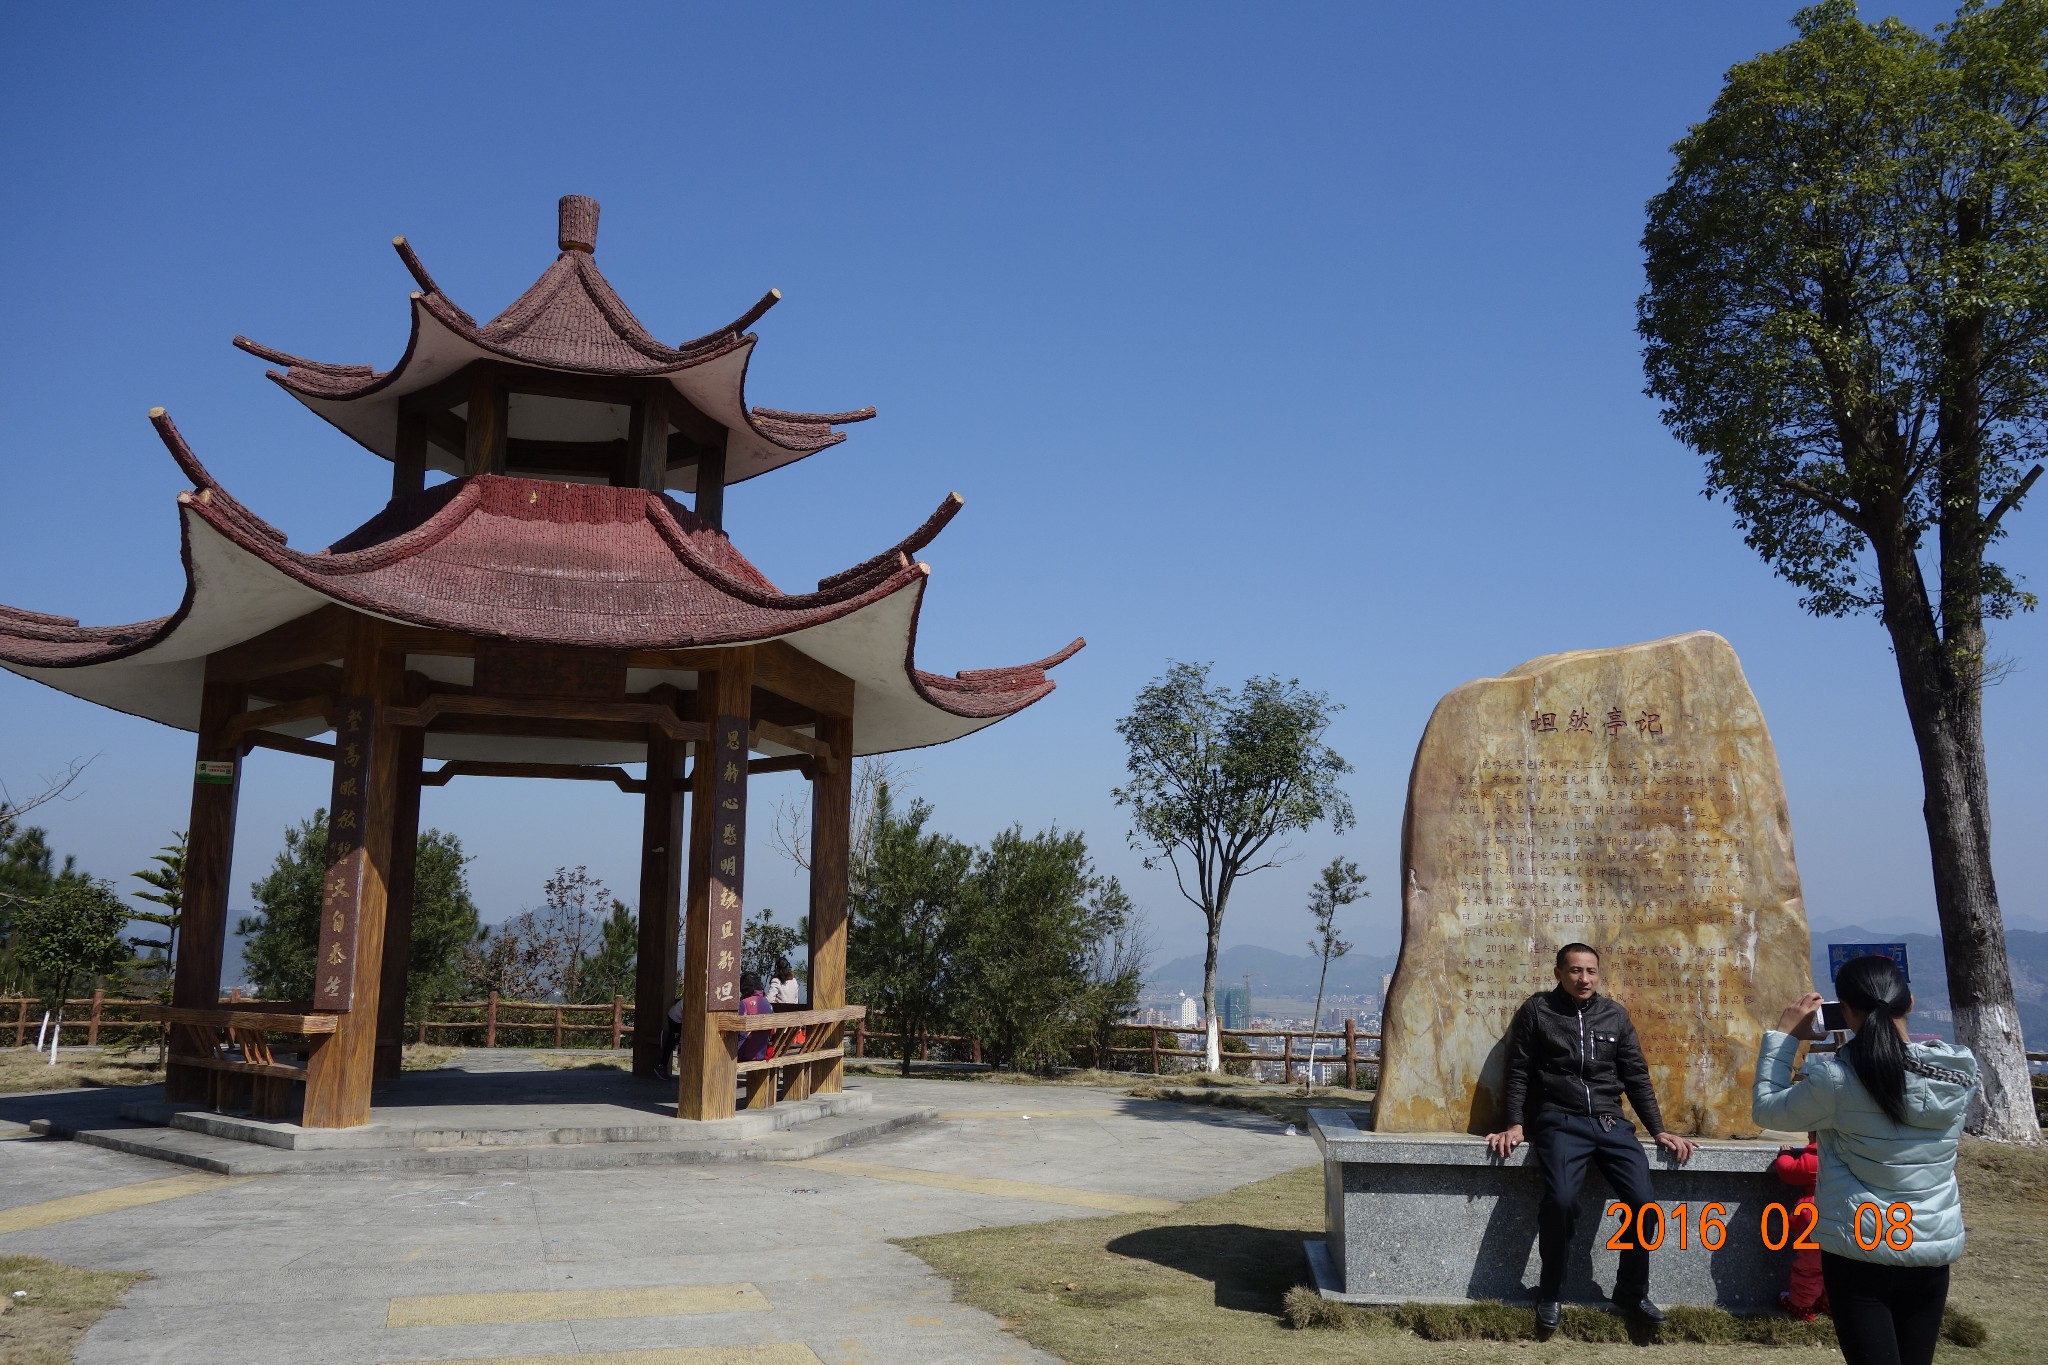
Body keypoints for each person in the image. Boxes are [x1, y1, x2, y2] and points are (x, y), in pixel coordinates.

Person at [1753, 955, 1976, 1365]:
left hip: (1861, 1247)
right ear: (1908, 1002)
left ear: (1847, 1011)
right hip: (1930, 1248)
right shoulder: (1956, 1073)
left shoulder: (1837, 1080)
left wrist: (1784, 1038)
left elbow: (1767, 1109)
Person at [1484, 942, 1698, 1330]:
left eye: (1591, 971)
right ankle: (1550, 1292)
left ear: (1599, 974)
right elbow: (1518, 1071)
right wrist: (1515, 1123)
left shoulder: (1614, 1015)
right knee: (1562, 1201)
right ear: (1558, 974)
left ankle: (1632, 1292)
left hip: (1611, 1124)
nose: (1584, 979)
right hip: (1560, 1120)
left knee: (1644, 1202)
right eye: (1575, 971)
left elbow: (1635, 1076)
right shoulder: (1538, 1011)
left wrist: (1660, 1130)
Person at [1770, 1135, 1829, 1321]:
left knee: (1809, 1267)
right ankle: (1829, 1303)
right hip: (1841, 1221)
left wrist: (1785, 1154)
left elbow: (1789, 1171)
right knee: (1836, 1266)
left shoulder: (1816, 1158)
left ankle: (1801, 1305)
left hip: (1812, 1222)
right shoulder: (1846, 1155)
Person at [737, 971, 774, 1063]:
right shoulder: (767, 1003)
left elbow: (740, 1033)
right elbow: (773, 1031)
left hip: (745, 1052)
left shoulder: (744, 1004)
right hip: (762, 1052)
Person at [654, 995, 684, 1081]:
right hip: (675, 1018)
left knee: (675, 1040)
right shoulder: (690, 1000)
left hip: (678, 1018)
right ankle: (661, 1066)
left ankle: (667, 1036)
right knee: (673, 1041)